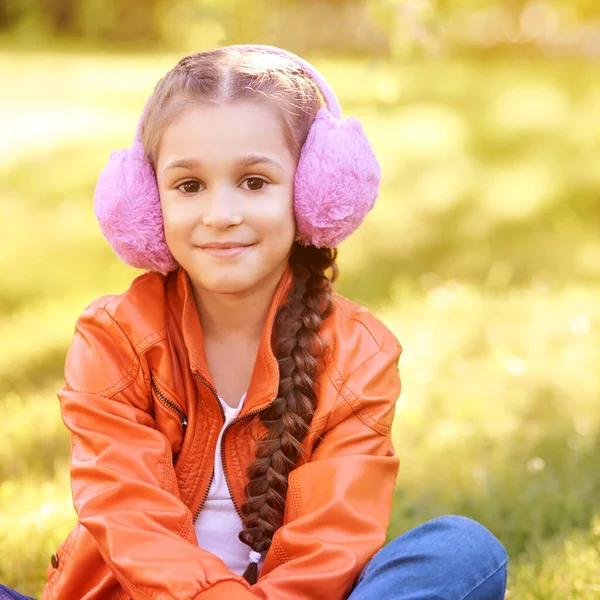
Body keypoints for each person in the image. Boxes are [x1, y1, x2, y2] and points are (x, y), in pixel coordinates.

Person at [0, 44, 508, 600]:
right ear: (147, 202)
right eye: (189, 186)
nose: (221, 215)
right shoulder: (113, 337)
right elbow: (129, 517)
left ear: (314, 192)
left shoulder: (360, 355)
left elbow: (332, 542)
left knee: (462, 550)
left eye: (254, 182)